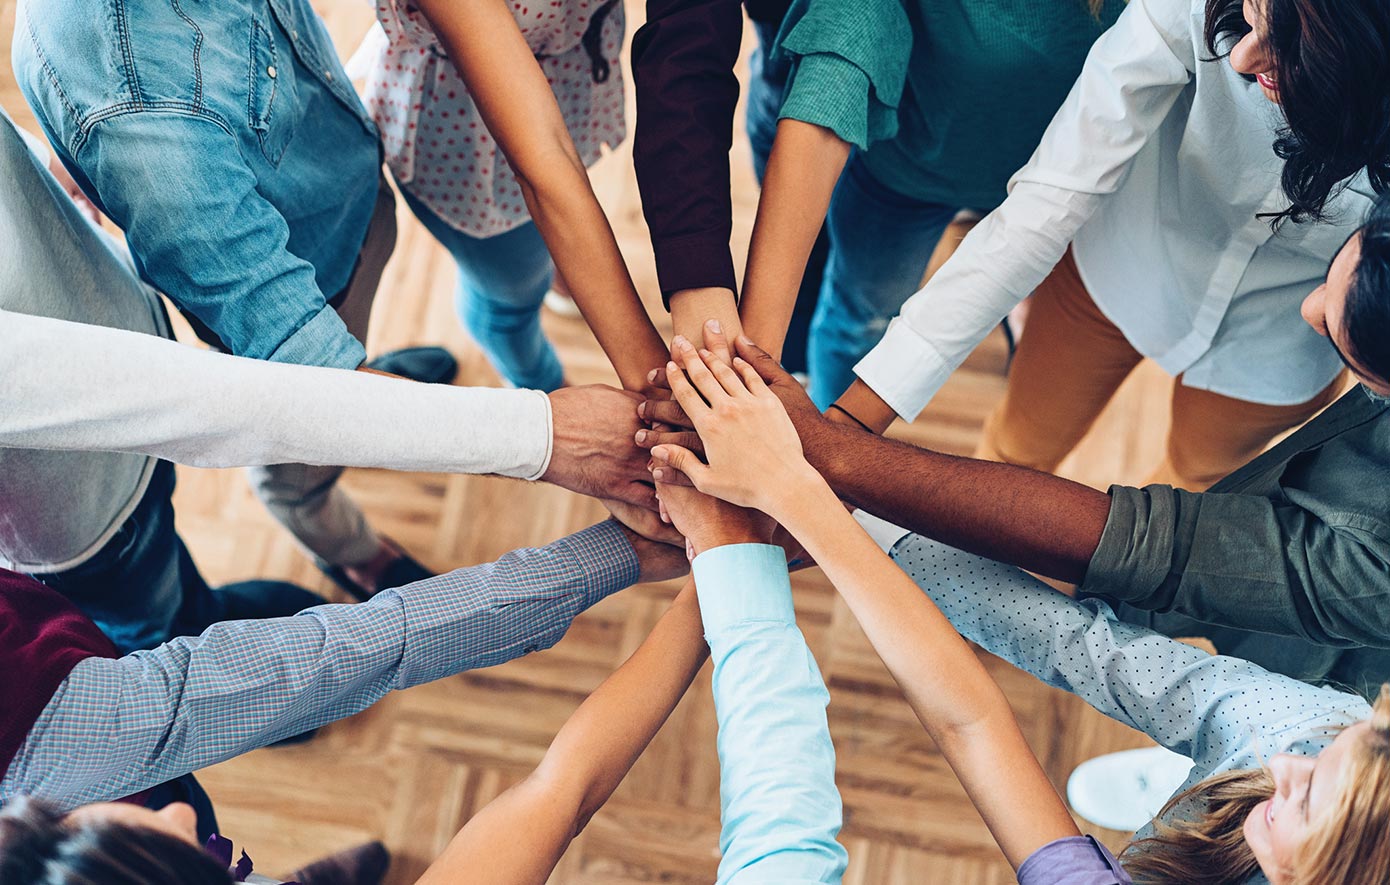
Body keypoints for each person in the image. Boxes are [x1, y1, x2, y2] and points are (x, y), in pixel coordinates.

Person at [651, 337, 1390, 884]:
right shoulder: (1303, 734)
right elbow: (1079, 650)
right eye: (1332, 754)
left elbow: (970, 726)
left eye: (1308, 797)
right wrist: (828, 502)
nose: (1288, 764)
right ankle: (1197, 785)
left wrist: (804, 498)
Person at [0, 106, 660, 653]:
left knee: (333, 364)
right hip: (72, 503)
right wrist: (539, 435)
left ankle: (367, 387)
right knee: (151, 601)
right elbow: (210, 406)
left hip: (123, 311)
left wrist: (48, 172)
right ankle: (233, 619)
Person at [826, 0, 1390, 491]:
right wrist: (853, 427)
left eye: (1294, 43)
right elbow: (1044, 202)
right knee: (1014, 449)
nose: (1242, 58)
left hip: (1279, 347)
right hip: (1112, 273)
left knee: (1192, 492)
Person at [12, 0, 458, 599]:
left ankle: (372, 366)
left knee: (356, 352)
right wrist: (531, 439)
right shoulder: (136, 104)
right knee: (301, 469)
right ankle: (352, 554)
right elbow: (312, 363)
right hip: (304, 305)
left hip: (345, 212)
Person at [0, 519, 686, 845]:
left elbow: (560, 792)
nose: (175, 810)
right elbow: (559, 794)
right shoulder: (69, 744)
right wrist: (706, 568)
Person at [739, 0, 1123, 407]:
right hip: (906, 176)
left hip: (1056, 180)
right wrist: (756, 362)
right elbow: (840, 49)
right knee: (859, 320)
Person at [348, 0, 625, 392]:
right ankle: (540, 385)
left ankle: (554, 272)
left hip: (571, 77)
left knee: (537, 248)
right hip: (473, 135)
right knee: (507, 302)